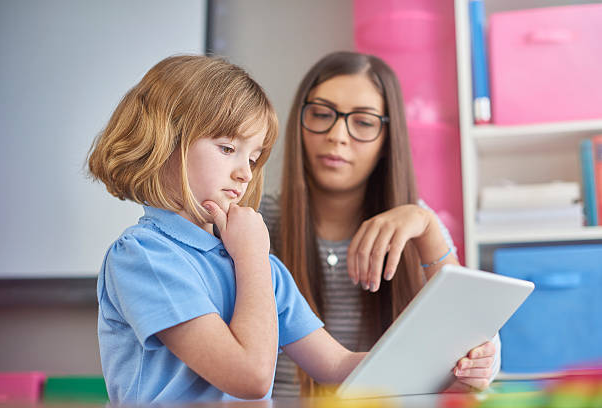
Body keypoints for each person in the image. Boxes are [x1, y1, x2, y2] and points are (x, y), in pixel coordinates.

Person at [87, 55, 367, 404]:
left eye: (252, 158)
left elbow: (337, 365)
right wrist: (252, 258)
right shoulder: (142, 256)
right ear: (165, 142)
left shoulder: (258, 269)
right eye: (227, 148)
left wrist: (443, 369)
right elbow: (249, 377)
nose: (246, 174)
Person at [259, 51, 500, 397]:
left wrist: (428, 228)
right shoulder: (257, 224)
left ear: (388, 139)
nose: (338, 135)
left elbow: (478, 343)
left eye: (363, 122)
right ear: (300, 121)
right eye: (322, 114)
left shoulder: (418, 225)